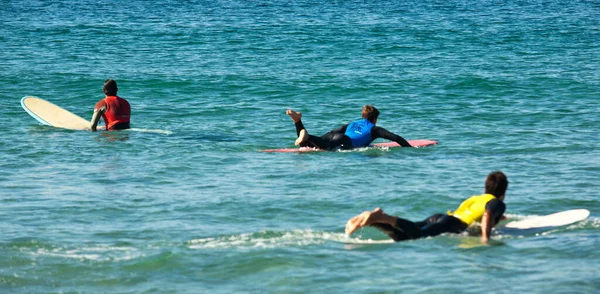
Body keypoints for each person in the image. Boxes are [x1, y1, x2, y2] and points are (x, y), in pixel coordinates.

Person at [345, 171, 509, 243]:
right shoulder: (497, 203)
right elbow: (487, 215)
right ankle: (383, 217)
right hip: (453, 224)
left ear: (486, 187)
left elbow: (481, 213)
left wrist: (498, 218)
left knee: (404, 238)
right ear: (503, 192)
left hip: (442, 217)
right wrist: (485, 239)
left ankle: (373, 221)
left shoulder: (477, 198)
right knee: (418, 235)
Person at [286, 105, 412, 150]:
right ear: (374, 119)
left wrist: (321, 139)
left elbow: (333, 132)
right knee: (320, 145)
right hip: (344, 141)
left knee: (306, 144)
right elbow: (395, 137)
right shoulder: (374, 129)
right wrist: (410, 148)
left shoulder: (352, 124)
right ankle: (306, 134)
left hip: (336, 135)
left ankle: (298, 121)